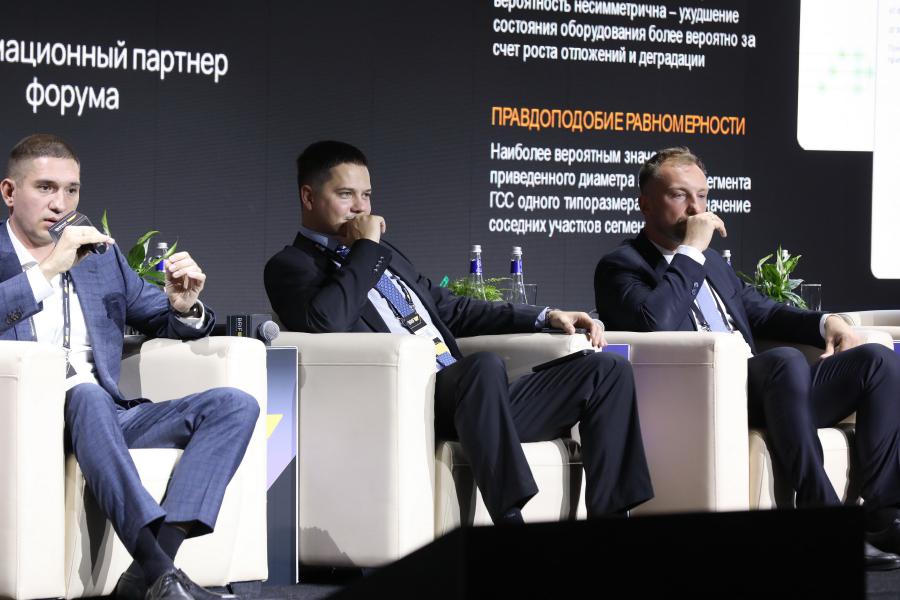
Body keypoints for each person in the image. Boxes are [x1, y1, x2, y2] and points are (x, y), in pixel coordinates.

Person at [265, 140, 653, 524]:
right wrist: (365, 247)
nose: (361, 208)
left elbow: (451, 308)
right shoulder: (291, 266)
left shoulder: (386, 254)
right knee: (483, 367)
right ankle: (510, 519)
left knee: (607, 371)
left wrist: (544, 315)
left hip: (473, 397)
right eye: (346, 194)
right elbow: (327, 321)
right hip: (412, 400)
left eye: (366, 195)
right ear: (309, 197)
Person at [593, 146, 900, 570]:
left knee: (878, 362)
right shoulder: (621, 266)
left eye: (702, 196)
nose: (695, 209)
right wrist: (691, 251)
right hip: (703, 397)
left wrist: (827, 322)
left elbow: (764, 311)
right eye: (680, 195)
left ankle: (885, 516)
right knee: (784, 361)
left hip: (771, 391)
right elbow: (654, 321)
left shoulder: (714, 265)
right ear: (645, 203)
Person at [0, 134, 260, 599]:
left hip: (105, 416)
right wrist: (49, 269)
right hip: (26, 422)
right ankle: (161, 574)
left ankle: (151, 574)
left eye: (71, 190)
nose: (60, 203)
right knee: (87, 394)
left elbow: (159, 317)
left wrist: (183, 305)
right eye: (45, 188)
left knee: (234, 405)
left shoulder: (102, 261)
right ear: (9, 192)